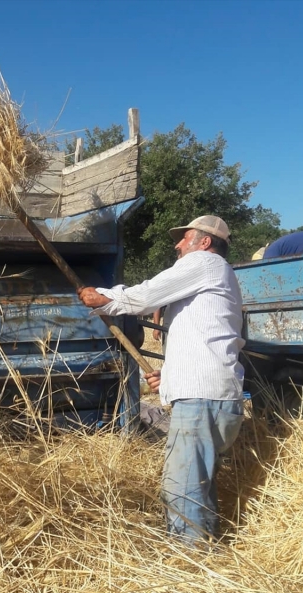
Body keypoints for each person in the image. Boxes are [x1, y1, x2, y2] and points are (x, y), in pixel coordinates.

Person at [78, 215, 245, 547]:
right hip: (215, 399)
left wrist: (102, 295)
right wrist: (167, 378)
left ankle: (189, 565)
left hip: (202, 401)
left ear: (205, 242)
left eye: (185, 238)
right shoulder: (215, 276)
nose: (178, 244)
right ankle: (208, 554)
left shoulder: (205, 263)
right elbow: (202, 337)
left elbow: (146, 295)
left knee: (181, 490)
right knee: (198, 486)